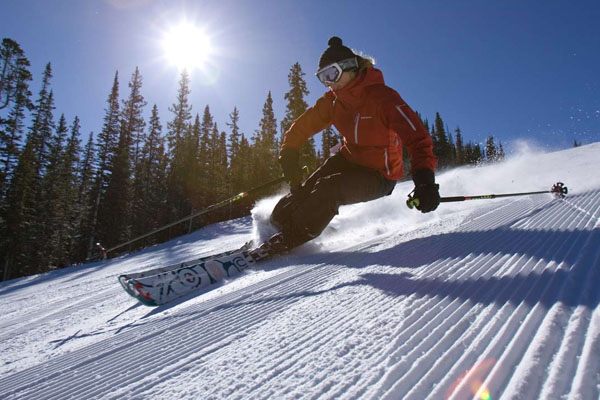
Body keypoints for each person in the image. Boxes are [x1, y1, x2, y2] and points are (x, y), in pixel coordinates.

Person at [253, 36, 440, 259]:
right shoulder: (334, 100)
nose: (329, 83)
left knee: (329, 189)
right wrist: (289, 153)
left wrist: (425, 180)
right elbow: (301, 127)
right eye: (323, 78)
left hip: (380, 174)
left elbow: (418, 138)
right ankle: (275, 227)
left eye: (331, 74)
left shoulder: (383, 98)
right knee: (304, 190)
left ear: (349, 67)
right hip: (349, 158)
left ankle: (293, 236)